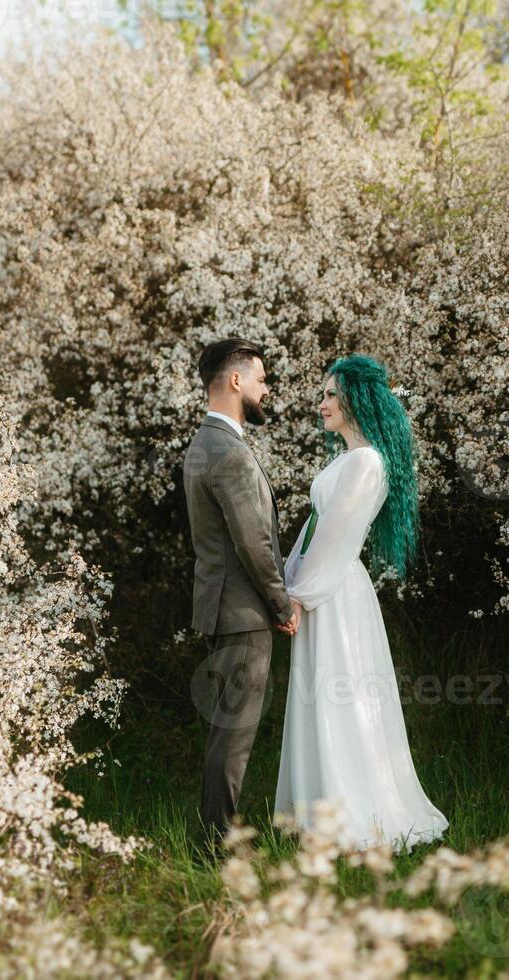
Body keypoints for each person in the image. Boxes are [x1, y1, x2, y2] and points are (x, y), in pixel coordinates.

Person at [274, 354, 448, 852]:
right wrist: (287, 581)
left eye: (332, 393)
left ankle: (352, 816)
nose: (323, 402)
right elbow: (314, 530)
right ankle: (318, 812)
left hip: (335, 594)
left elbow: (337, 536)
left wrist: (300, 594)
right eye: (325, 393)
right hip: (322, 587)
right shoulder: (346, 460)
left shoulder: (368, 462)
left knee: (340, 695)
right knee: (320, 694)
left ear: (356, 399)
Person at [182, 338, 300, 859]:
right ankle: (216, 847)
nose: (264, 387)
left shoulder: (205, 444)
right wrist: (281, 604)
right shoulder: (227, 452)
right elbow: (252, 542)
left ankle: (215, 837)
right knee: (235, 735)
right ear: (234, 382)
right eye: (259, 378)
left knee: (227, 730)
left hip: (221, 608)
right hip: (243, 612)